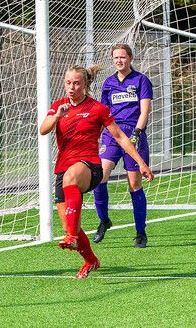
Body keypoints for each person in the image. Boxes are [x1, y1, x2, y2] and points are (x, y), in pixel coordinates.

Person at [39, 65, 153, 279]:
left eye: (76, 83)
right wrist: (56, 117)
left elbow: (119, 136)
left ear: (85, 85)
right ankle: (91, 260)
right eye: (68, 83)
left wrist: (141, 163)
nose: (71, 87)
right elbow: (43, 129)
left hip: (90, 165)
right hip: (63, 168)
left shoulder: (97, 108)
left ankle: (72, 236)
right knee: (69, 222)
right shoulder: (59, 106)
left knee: (72, 178)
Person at [93, 43, 154, 248]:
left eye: (123, 57)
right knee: (100, 177)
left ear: (130, 59)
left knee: (134, 185)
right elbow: (103, 112)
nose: (119, 60)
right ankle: (104, 220)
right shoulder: (109, 83)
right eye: (116, 58)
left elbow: (144, 110)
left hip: (133, 134)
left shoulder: (141, 80)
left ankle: (140, 233)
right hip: (111, 134)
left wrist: (137, 132)